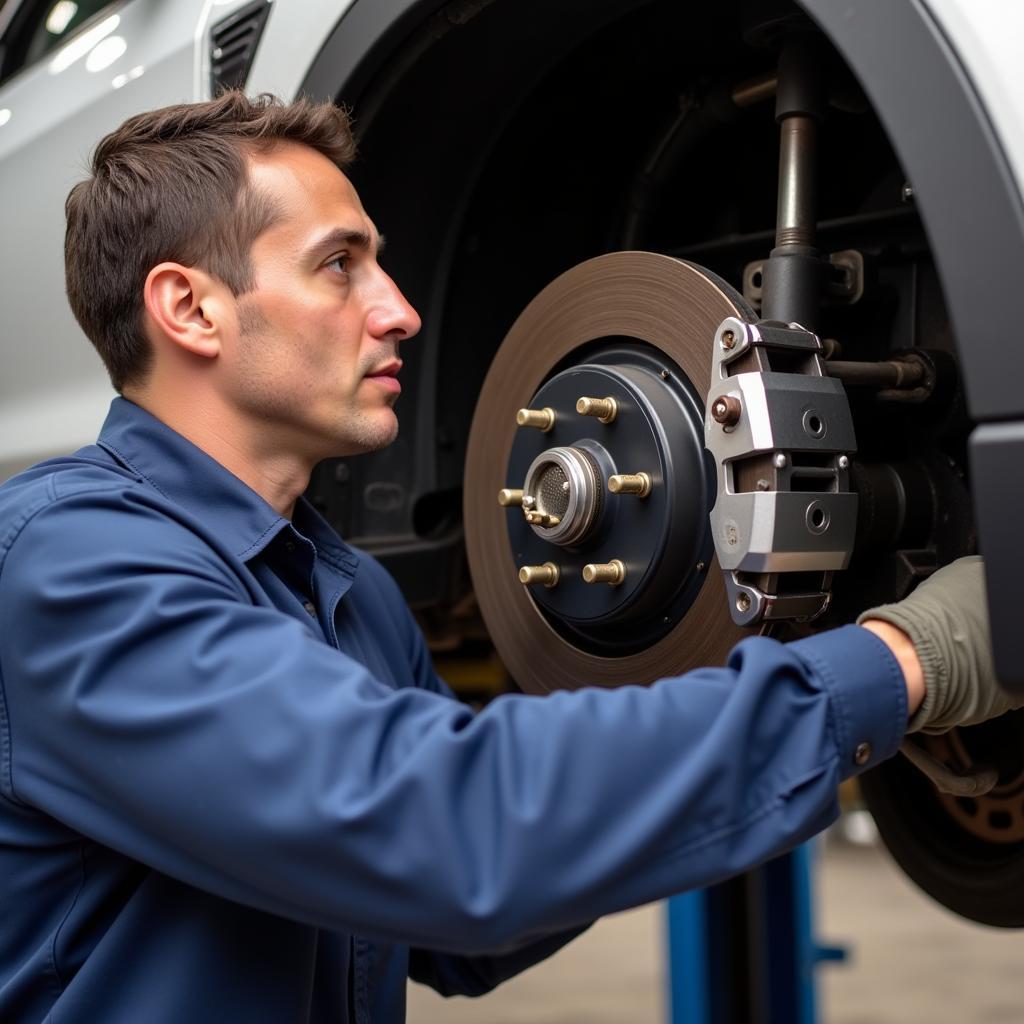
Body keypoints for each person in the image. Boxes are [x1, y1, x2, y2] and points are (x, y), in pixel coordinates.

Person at [0, 91, 1014, 1024]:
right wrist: (899, 663)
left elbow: (449, 930)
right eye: (339, 263)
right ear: (189, 308)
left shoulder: (343, 595)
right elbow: (459, 839)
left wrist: (752, 752)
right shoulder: (71, 567)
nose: (399, 309)